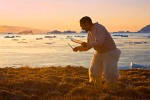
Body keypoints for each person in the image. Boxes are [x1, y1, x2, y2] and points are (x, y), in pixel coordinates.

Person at [72, 16, 121, 89]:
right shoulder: (89, 33)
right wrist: (78, 48)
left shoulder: (99, 28)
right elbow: (88, 46)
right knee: (94, 71)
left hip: (110, 52)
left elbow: (99, 42)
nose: (83, 29)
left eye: (83, 27)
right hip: (99, 52)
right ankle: (97, 87)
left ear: (87, 23)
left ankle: (112, 89)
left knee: (109, 73)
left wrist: (87, 44)